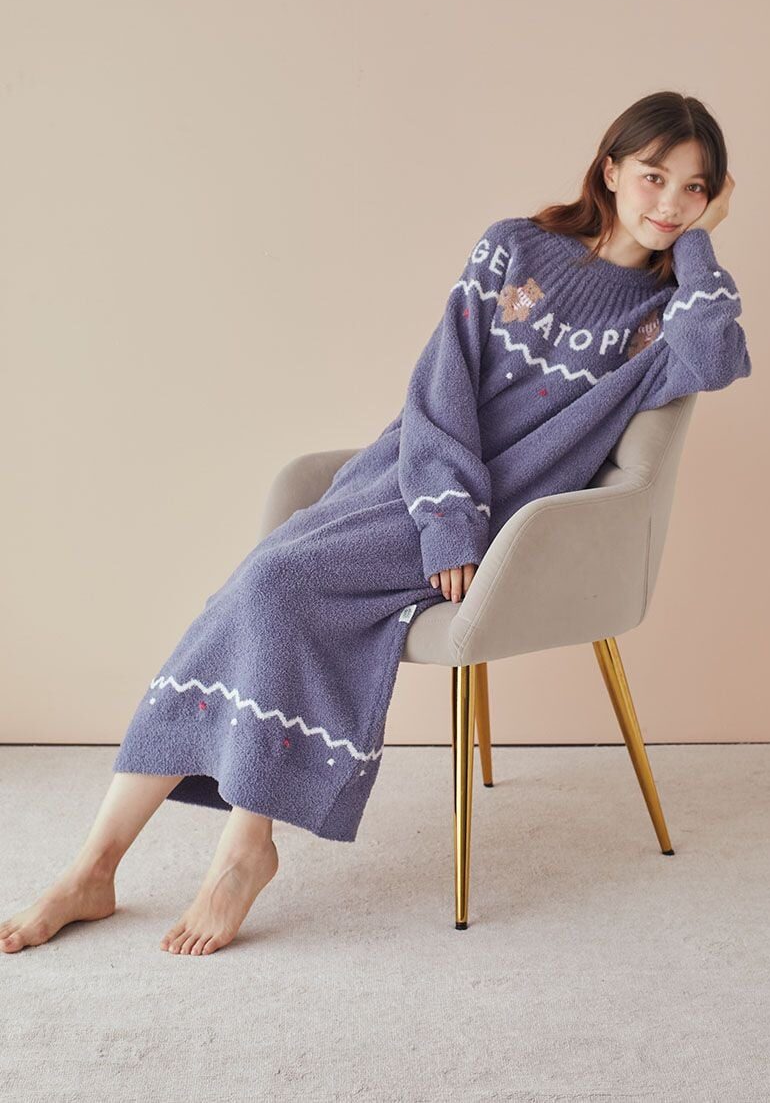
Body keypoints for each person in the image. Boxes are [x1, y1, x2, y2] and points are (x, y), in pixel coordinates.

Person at [0, 90, 751, 956]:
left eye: (695, 189)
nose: (669, 202)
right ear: (611, 170)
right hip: (415, 485)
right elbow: (440, 389)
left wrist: (700, 241)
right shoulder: (514, 247)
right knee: (261, 589)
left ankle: (218, 853)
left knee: (272, 584)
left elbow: (712, 358)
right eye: (654, 177)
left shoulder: (667, 312)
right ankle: (106, 866)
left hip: (519, 534)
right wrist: (448, 518)